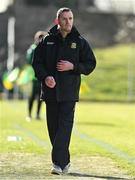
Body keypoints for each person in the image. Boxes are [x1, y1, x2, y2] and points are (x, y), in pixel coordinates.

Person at [32, 7, 96, 174]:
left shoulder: (80, 42)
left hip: (69, 93)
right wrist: (46, 77)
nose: (68, 22)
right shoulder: (47, 41)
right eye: (65, 19)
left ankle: (57, 165)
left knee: (65, 127)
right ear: (57, 21)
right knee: (53, 127)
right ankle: (64, 162)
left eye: (71, 18)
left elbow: (90, 64)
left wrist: (73, 66)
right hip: (51, 92)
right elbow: (37, 63)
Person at [26, 31, 47, 121]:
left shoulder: (45, 48)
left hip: (42, 76)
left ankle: (37, 114)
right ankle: (29, 114)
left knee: (41, 96)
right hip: (34, 77)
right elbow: (29, 61)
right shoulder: (33, 48)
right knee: (32, 96)